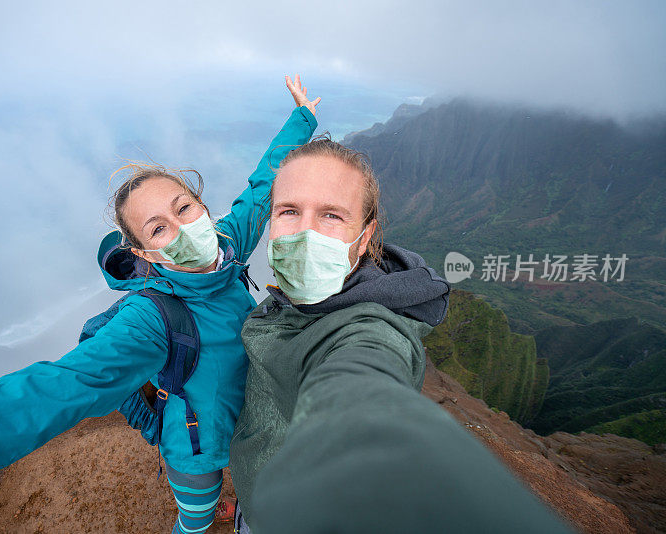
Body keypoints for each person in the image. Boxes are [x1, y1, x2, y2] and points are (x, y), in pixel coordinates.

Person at [0, 75, 319, 534]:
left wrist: (303, 118)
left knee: (251, 474)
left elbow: (264, 185)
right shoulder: (151, 319)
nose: (183, 230)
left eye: (183, 208)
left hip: (250, 420)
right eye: (158, 229)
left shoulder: (228, 242)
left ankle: (233, 499)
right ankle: (203, 515)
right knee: (195, 520)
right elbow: (51, 391)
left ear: (202, 205)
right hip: (195, 445)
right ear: (142, 253)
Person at [228, 137, 577, 533]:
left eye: (331, 216)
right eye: (289, 211)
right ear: (270, 221)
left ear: (364, 236)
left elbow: (360, 381)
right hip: (251, 498)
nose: (305, 232)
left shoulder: (367, 331)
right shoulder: (283, 300)